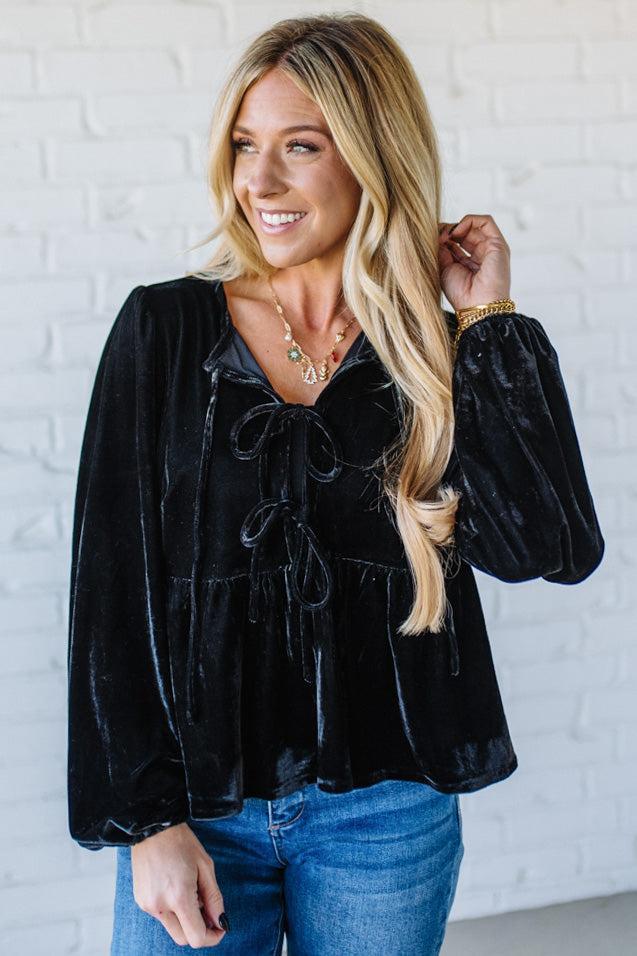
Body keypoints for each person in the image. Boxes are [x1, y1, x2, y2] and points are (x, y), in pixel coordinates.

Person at [65, 12, 605, 955]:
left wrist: (487, 324)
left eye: (299, 147)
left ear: (371, 156)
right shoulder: (164, 332)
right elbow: (110, 594)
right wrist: (144, 824)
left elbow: (546, 553)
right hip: (199, 810)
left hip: (388, 816)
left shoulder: (431, 354)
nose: (258, 183)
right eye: (243, 145)